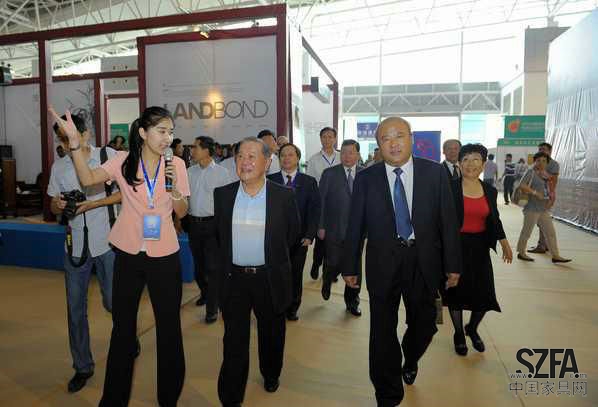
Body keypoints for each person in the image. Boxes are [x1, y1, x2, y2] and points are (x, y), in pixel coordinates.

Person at [50, 106, 190, 407]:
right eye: (161, 131)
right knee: (123, 330)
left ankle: (168, 399)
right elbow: (88, 179)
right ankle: (113, 400)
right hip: (128, 253)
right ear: (143, 132)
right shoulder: (123, 161)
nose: (168, 138)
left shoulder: (176, 164)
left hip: (165, 255)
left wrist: (175, 190)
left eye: (170, 132)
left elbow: (182, 211)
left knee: (169, 329)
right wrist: (74, 145)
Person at [342, 117, 461, 406]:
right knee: (382, 330)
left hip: (423, 260)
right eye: (385, 138)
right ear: (378, 144)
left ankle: (410, 355)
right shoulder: (367, 178)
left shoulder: (434, 173)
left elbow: (448, 221)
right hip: (383, 261)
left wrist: (453, 264)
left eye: (399, 136)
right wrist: (350, 266)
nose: (393, 143)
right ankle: (387, 393)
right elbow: (355, 224)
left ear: (411, 138)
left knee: (426, 323)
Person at [214, 137, 300, 406]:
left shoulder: (283, 196)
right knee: (234, 340)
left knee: (272, 332)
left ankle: (271, 372)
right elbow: (219, 238)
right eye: (240, 156)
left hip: (269, 277)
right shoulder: (223, 195)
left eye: (252, 156)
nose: (245, 162)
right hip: (234, 279)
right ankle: (231, 396)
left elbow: (292, 235)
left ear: (267, 161)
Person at [48, 113, 122, 393]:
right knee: (75, 310)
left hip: (109, 242)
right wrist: (58, 205)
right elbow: (53, 205)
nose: (65, 144)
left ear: (85, 134)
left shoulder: (108, 156)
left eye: (69, 137)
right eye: (61, 139)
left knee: (114, 302)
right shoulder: (59, 167)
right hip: (75, 244)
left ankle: (127, 338)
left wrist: (95, 204)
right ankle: (82, 366)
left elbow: (127, 193)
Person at [442, 144, 513, 357]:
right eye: (465, 159)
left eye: (475, 159)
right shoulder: (449, 188)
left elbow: (494, 219)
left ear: (483, 165)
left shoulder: (489, 191)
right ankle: (458, 334)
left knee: (484, 294)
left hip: (480, 247)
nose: (470, 164)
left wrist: (504, 242)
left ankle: (472, 328)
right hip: (455, 246)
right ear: (459, 164)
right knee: (455, 293)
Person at [267, 143, 320, 321]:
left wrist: (310, 235)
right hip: (275, 238)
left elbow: (314, 210)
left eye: (290, 155)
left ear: (298, 158)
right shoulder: (269, 180)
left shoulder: (309, 182)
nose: (286, 158)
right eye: (283, 155)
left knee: (295, 274)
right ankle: (277, 304)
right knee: (276, 273)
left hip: (300, 239)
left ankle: (293, 306)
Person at [187, 136, 231, 323]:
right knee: (199, 267)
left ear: (206, 150)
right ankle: (205, 293)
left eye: (195, 147)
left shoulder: (222, 173)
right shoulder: (189, 172)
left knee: (213, 268)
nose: (192, 150)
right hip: (193, 224)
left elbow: (226, 203)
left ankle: (212, 308)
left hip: (213, 225)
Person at [318, 139, 364, 317]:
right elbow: (321, 201)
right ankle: (327, 278)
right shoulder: (330, 174)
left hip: (357, 231)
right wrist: (321, 226)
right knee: (334, 261)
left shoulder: (366, 174)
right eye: (343, 152)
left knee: (355, 266)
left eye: (351, 152)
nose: (347, 156)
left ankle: (352, 301)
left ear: (358, 154)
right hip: (333, 227)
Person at [515, 152, 571, 264]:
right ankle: (521, 253)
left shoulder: (545, 174)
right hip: (532, 208)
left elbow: (548, 188)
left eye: (544, 161)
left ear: (547, 163)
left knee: (550, 232)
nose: (541, 163)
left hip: (543, 208)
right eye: (538, 160)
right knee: (527, 232)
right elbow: (522, 185)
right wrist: (535, 193)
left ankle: (555, 255)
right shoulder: (530, 172)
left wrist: (550, 198)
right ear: (535, 161)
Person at [306, 126, 339, 280]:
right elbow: (310, 183)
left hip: (338, 205)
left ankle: (329, 270)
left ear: (335, 139)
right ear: (320, 139)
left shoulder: (341, 157)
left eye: (330, 137)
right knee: (321, 239)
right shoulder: (314, 159)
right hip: (321, 203)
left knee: (334, 240)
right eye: (324, 137)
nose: (327, 140)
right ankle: (316, 262)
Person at [529, 142, 559, 254]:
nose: (541, 151)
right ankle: (544, 244)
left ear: (550, 151)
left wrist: (540, 171)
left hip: (546, 196)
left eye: (544, 149)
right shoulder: (538, 163)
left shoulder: (553, 164)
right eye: (540, 149)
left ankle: (542, 245)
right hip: (538, 195)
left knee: (542, 221)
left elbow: (553, 180)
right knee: (540, 221)